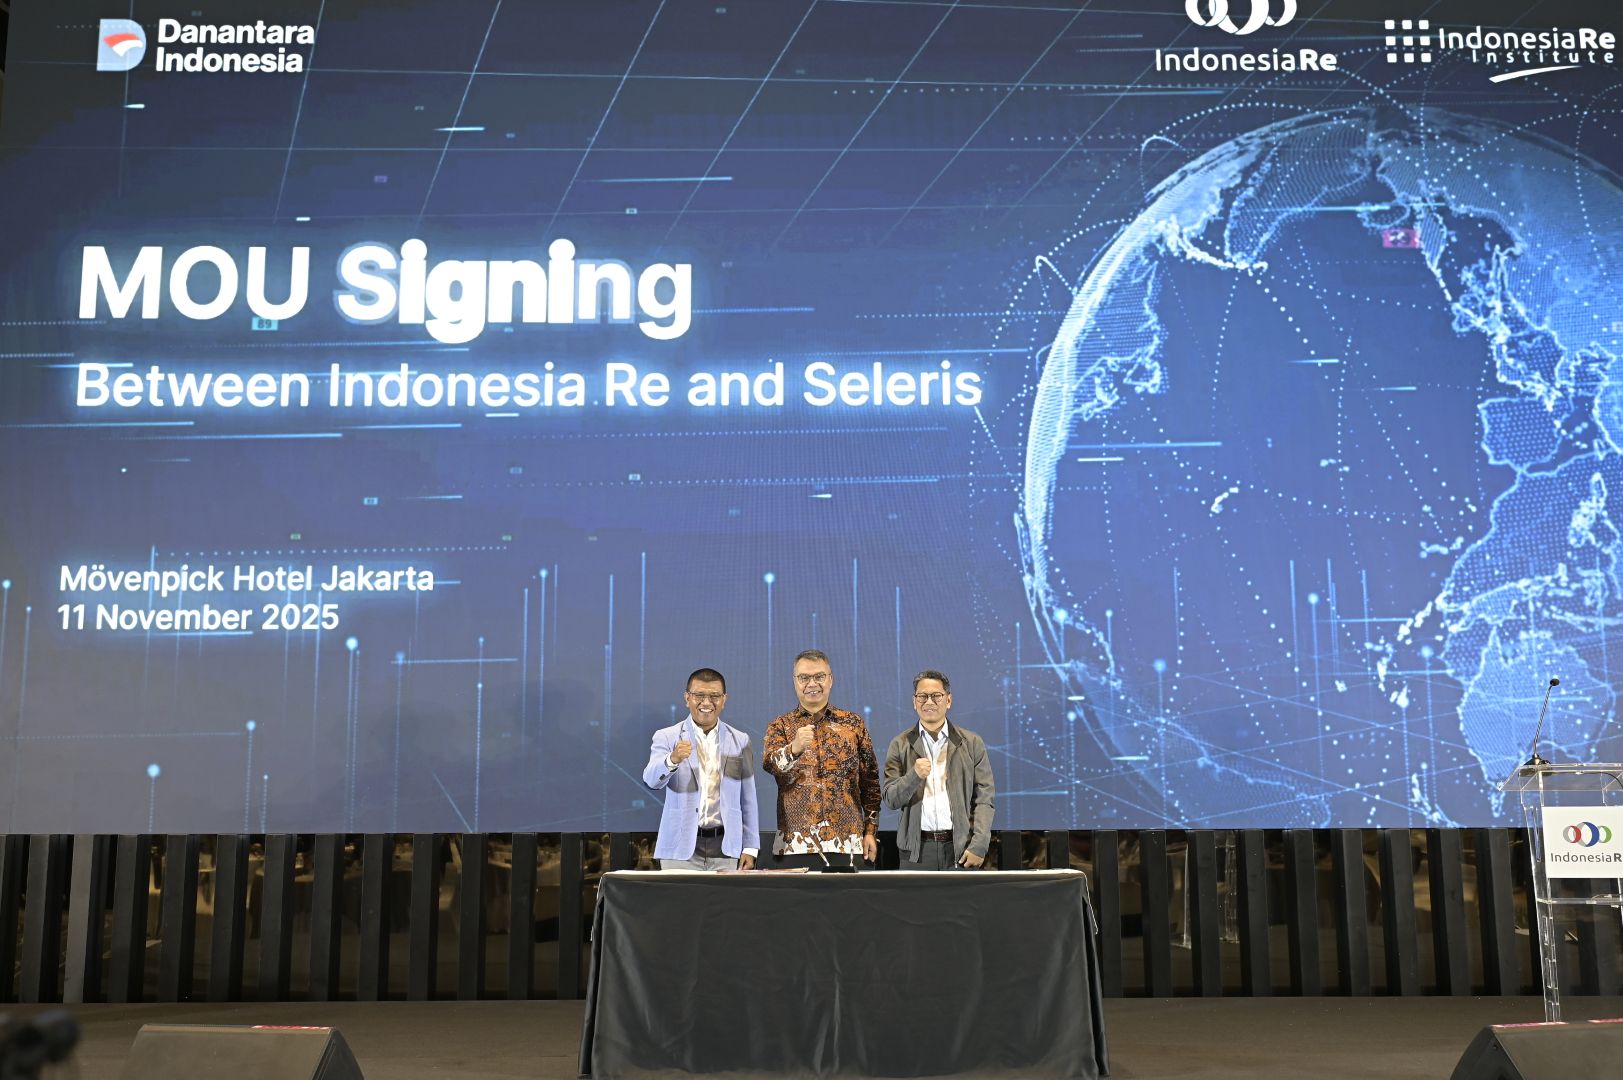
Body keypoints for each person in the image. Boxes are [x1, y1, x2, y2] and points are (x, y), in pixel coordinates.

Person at [762, 649, 881, 868]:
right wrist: (794, 749)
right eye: (804, 678)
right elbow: (770, 765)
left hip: (848, 843)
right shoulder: (780, 726)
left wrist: (871, 831)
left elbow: (870, 782)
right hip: (795, 845)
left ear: (830, 679)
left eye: (819, 676)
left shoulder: (853, 724)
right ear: (794, 681)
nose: (812, 684)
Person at [643, 667, 759, 870]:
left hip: (726, 846)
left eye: (714, 696)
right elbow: (651, 780)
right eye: (699, 695)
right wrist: (673, 759)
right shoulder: (667, 736)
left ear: (724, 700)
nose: (706, 703)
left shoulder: (740, 740)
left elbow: (748, 798)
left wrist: (750, 847)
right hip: (679, 846)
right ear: (687, 698)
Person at [882, 669, 994, 869]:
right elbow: (890, 799)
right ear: (914, 701)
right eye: (922, 696)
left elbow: (984, 798)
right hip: (916, 853)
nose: (929, 702)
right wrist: (914, 776)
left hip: (960, 850)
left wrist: (979, 845)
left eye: (936, 696)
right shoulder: (900, 744)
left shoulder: (971, 743)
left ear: (948, 700)